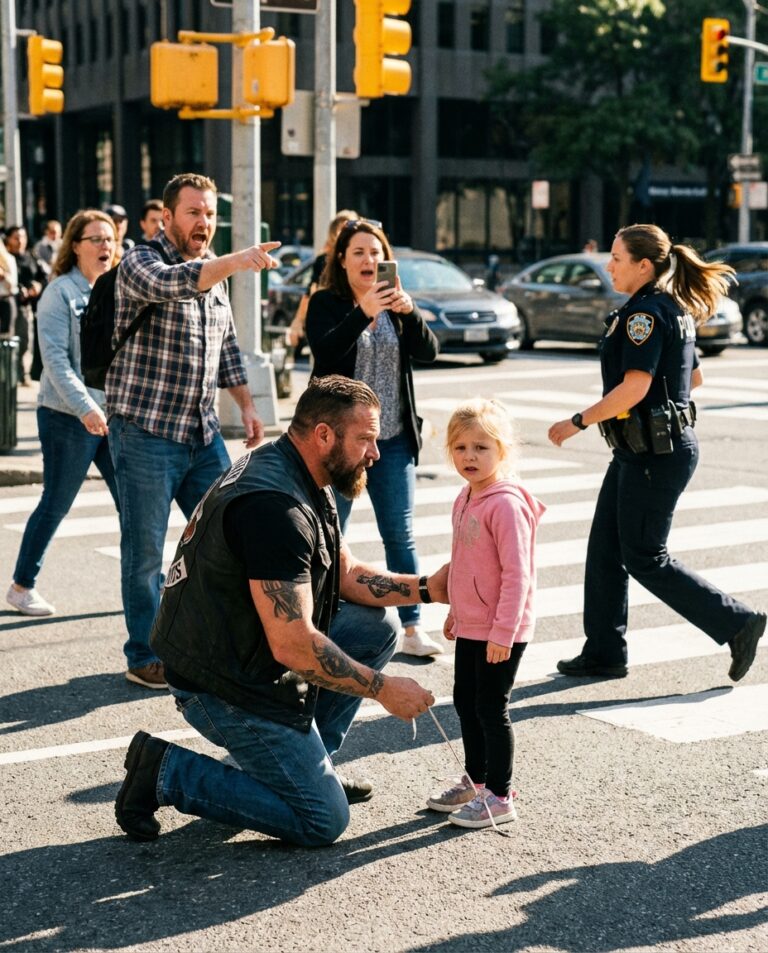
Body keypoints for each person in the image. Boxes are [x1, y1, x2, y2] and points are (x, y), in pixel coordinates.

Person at [114, 376, 449, 847]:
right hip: (219, 684)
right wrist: (383, 689)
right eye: (366, 439)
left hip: (246, 655)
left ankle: (311, 771)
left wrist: (428, 588)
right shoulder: (276, 508)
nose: (375, 453)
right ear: (324, 436)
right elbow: (293, 644)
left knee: (378, 626)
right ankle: (168, 772)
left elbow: (347, 573)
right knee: (322, 821)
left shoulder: (301, 468)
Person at [548, 224, 766, 681]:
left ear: (643, 265)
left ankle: (737, 623)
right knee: (606, 550)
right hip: (643, 449)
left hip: (655, 455)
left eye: (617, 258)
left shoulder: (644, 315)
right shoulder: (671, 309)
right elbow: (694, 380)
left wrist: (576, 422)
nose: (609, 266)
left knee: (645, 556)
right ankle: (605, 651)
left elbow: (634, 387)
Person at [106, 171, 280, 690]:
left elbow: (225, 347)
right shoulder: (139, 261)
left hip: (202, 435)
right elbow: (176, 283)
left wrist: (247, 406)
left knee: (232, 534)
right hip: (144, 431)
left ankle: (226, 641)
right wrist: (234, 260)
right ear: (167, 216)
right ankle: (143, 654)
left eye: (209, 214)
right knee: (145, 552)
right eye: (194, 213)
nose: (204, 222)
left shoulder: (216, 276)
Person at [306, 219, 442, 657]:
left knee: (399, 533)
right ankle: (319, 621)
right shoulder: (326, 302)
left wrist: (410, 313)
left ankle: (412, 626)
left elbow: (431, 351)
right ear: (341, 260)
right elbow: (326, 354)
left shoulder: (396, 308)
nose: (369, 260)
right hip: (342, 443)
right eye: (359, 252)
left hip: (394, 436)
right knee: (330, 532)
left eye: (377, 252)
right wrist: (363, 312)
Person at [426, 399, 545, 829]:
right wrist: (457, 611)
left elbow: (518, 575)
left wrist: (502, 633)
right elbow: (465, 560)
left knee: (491, 707)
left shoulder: (506, 505)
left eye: (481, 447)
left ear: (503, 450)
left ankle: (500, 794)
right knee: (465, 701)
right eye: (460, 448)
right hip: (475, 622)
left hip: (502, 628)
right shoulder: (465, 496)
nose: (469, 457)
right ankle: (476, 781)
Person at [6, 210, 120, 617]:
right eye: (96, 239)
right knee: (56, 502)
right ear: (75, 246)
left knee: (133, 503)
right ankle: (22, 586)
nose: (106, 246)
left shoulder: (113, 289)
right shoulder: (60, 292)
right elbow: (54, 360)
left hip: (112, 416)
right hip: (66, 417)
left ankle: (141, 589)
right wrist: (86, 408)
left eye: (110, 239)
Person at [286, 209, 358, 350]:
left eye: (350, 229)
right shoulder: (324, 260)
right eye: (341, 230)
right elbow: (311, 291)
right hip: (332, 318)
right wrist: (298, 321)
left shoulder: (368, 260)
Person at [4, 225, 47, 384]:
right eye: (16, 237)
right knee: (10, 342)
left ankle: (21, 373)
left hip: (28, 306)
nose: (20, 241)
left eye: (22, 237)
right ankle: (12, 374)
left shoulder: (31, 256)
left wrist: (38, 286)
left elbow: (43, 277)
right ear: (8, 239)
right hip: (9, 304)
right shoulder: (6, 258)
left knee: (25, 342)